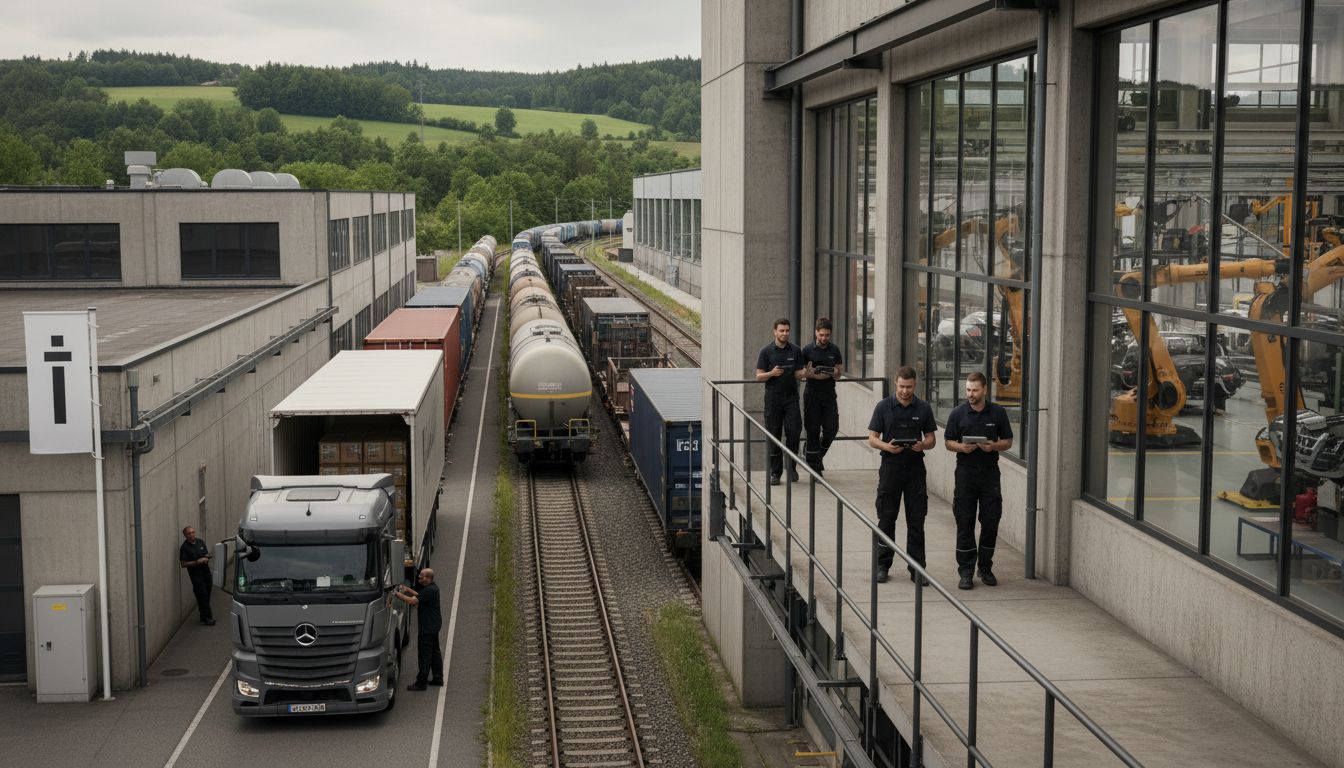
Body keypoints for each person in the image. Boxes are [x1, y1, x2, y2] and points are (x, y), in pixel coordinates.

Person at [943, 372, 1014, 590]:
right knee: (964, 522)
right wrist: (961, 447)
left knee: (990, 521)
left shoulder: (998, 413)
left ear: (984, 390)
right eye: (968, 390)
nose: (970, 394)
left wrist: (993, 446)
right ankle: (966, 572)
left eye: (974, 390)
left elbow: (1008, 441)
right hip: (965, 474)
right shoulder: (957, 414)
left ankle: (985, 568)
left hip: (989, 474)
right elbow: (947, 442)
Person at [866, 366, 937, 585]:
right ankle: (882, 565)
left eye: (909, 387)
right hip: (891, 467)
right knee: (886, 518)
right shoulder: (883, 407)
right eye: (902, 386)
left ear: (915, 386)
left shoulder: (924, 408)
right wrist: (887, 447)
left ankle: (917, 568)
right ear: (896, 383)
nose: (905, 391)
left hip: (915, 468)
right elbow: (872, 438)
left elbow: (932, 439)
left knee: (916, 519)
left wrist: (922, 445)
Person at [755, 317, 806, 485]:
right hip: (773, 400)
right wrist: (771, 373)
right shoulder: (766, 351)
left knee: (794, 432)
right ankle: (775, 473)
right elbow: (758, 376)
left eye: (787, 330)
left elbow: (798, 374)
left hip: (791, 399)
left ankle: (791, 468)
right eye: (781, 330)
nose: (785, 333)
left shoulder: (796, 351)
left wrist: (806, 372)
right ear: (775, 332)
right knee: (774, 435)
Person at [801, 317, 844, 476]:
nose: (824, 338)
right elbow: (802, 373)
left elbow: (839, 373)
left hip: (829, 395)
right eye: (821, 335)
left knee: (832, 428)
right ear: (816, 333)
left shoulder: (834, 350)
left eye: (827, 335)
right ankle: (815, 469)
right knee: (812, 430)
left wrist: (833, 372)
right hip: (812, 394)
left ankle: (815, 457)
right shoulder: (806, 350)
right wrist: (809, 373)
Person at [394, 567, 443, 690]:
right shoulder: (433, 588)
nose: (419, 577)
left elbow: (412, 601)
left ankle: (421, 682)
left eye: (421, 576)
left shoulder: (428, 591)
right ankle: (438, 677)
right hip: (434, 625)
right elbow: (419, 595)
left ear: (428, 578)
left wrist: (396, 594)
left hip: (427, 628)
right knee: (435, 653)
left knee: (424, 655)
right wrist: (407, 589)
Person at [179, 526, 215, 626]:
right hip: (196, 577)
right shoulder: (184, 548)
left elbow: (205, 554)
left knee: (206, 595)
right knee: (202, 595)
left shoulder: (200, 542)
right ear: (185, 535)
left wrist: (207, 556)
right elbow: (183, 564)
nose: (191, 535)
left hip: (206, 573)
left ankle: (202, 615)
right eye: (189, 533)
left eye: (193, 532)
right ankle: (208, 618)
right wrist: (197, 562)